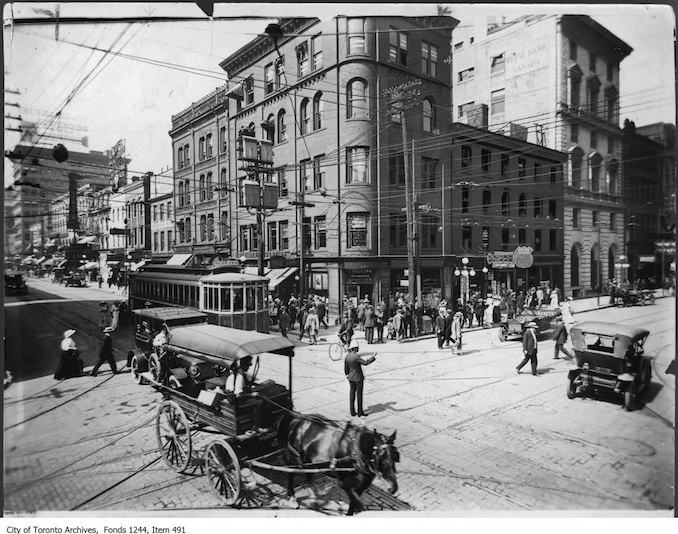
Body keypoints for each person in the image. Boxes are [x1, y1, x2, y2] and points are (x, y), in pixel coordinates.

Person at [344, 339, 376, 417]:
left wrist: (347, 375)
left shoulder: (347, 356)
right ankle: (360, 412)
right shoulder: (356, 357)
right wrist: (373, 357)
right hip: (358, 378)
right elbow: (365, 363)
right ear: (355, 348)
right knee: (359, 395)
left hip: (351, 378)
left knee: (352, 394)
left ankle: (352, 411)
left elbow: (346, 368)